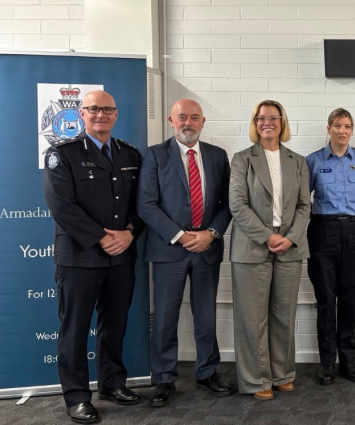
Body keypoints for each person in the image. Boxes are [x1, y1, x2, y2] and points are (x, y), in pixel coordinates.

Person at [43, 90, 145, 424]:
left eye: (107, 110)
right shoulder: (63, 154)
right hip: (79, 257)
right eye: (93, 109)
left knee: (114, 324)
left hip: (121, 255)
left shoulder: (130, 153)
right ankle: (76, 397)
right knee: (74, 329)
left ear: (116, 115)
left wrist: (130, 233)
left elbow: (142, 203)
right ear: (81, 115)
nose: (100, 115)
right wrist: (102, 237)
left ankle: (112, 384)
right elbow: (62, 206)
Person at [137, 99, 234, 407]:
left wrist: (211, 234)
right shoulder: (154, 155)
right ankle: (164, 378)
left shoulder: (218, 156)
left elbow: (226, 205)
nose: (188, 122)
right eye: (182, 117)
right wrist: (181, 236)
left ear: (203, 122)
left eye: (194, 117)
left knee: (206, 316)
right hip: (169, 250)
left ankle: (207, 372)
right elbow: (146, 205)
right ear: (171, 120)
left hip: (207, 247)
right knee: (165, 318)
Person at [229, 100, 311, 400]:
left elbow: (305, 205)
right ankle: (256, 379)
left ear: (282, 122)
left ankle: (282, 374)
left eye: (274, 118)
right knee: (253, 319)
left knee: (283, 316)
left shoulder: (297, 161)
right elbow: (237, 205)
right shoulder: (242, 159)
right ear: (255, 122)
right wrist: (267, 237)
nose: (268, 123)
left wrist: (289, 237)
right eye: (262, 118)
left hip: (290, 247)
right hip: (252, 247)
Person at [306, 108, 355, 385]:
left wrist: (351, 213)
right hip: (323, 230)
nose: (342, 131)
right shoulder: (312, 161)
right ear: (329, 129)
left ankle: (348, 361)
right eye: (337, 125)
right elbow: (303, 197)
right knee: (325, 299)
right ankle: (326, 363)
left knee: (349, 297)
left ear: (351, 130)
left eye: (347, 126)